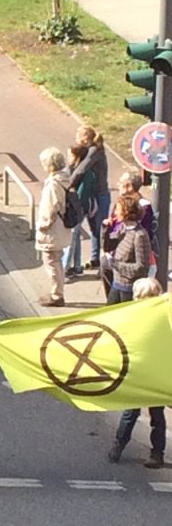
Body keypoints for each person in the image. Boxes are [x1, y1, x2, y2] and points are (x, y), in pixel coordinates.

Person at [110, 277, 167, 467]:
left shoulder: (134, 315)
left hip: (144, 373)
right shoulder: (163, 314)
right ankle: (155, 453)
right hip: (151, 373)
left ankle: (120, 446)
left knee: (135, 412)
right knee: (151, 415)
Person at [65, 124, 110, 273]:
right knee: (93, 228)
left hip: (100, 195)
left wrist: (67, 184)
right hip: (93, 195)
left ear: (85, 138)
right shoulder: (90, 150)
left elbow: (81, 168)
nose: (76, 139)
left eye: (78, 136)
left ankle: (102, 261)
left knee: (100, 229)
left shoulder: (95, 151)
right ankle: (95, 259)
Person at [35, 146, 71, 307]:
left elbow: (50, 209)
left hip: (52, 230)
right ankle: (57, 292)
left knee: (51, 261)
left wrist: (42, 225)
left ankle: (57, 295)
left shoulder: (53, 184)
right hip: (61, 228)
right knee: (56, 260)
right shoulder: (64, 179)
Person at [106, 191, 151, 304]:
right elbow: (107, 246)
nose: (115, 213)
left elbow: (141, 267)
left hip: (129, 288)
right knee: (107, 314)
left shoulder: (139, 235)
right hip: (117, 283)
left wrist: (115, 264)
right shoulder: (122, 228)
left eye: (118, 209)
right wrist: (105, 228)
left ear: (126, 211)